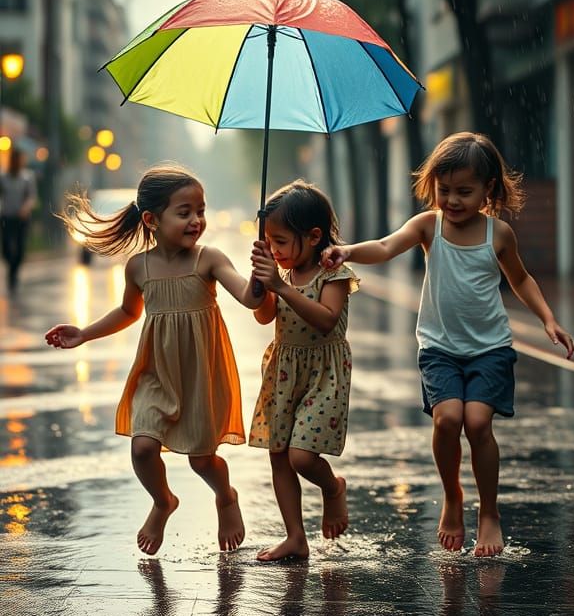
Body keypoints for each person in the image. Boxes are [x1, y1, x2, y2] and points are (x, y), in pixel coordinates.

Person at [322, 132, 574, 558]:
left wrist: (548, 319)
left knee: (477, 423)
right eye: (445, 191)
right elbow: (385, 247)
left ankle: (489, 512)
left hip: (490, 347)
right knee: (447, 420)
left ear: (488, 190)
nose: (453, 201)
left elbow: (521, 279)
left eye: (464, 191)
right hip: (439, 347)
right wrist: (346, 251)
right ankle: (453, 496)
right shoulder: (428, 226)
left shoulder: (499, 234)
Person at [45, 164, 264, 556]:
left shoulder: (208, 259)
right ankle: (163, 500)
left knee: (202, 460)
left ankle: (225, 496)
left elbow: (250, 298)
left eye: (201, 210)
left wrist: (264, 274)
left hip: (199, 374)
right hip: (156, 373)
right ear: (152, 219)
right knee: (143, 448)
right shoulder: (139, 267)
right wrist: (84, 333)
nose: (197, 220)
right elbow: (128, 313)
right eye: (185, 212)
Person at [249, 180, 359, 562]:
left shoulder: (334, 272)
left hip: (323, 372)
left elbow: (327, 320)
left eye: (280, 241)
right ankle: (295, 536)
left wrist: (282, 287)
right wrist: (262, 287)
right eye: (269, 242)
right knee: (278, 453)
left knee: (301, 456)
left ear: (313, 237)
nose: (275, 250)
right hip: (283, 369)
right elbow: (264, 317)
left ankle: (332, 489)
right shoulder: (282, 274)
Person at [0, 146, 37, 292]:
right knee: (6, 249)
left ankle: (13, 274)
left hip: (22, 217)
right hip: (6, 217)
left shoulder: (27, 177)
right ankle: (11, 268)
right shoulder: (3, 177)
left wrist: (26, 208)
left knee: (20, 248)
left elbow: (31, 197)